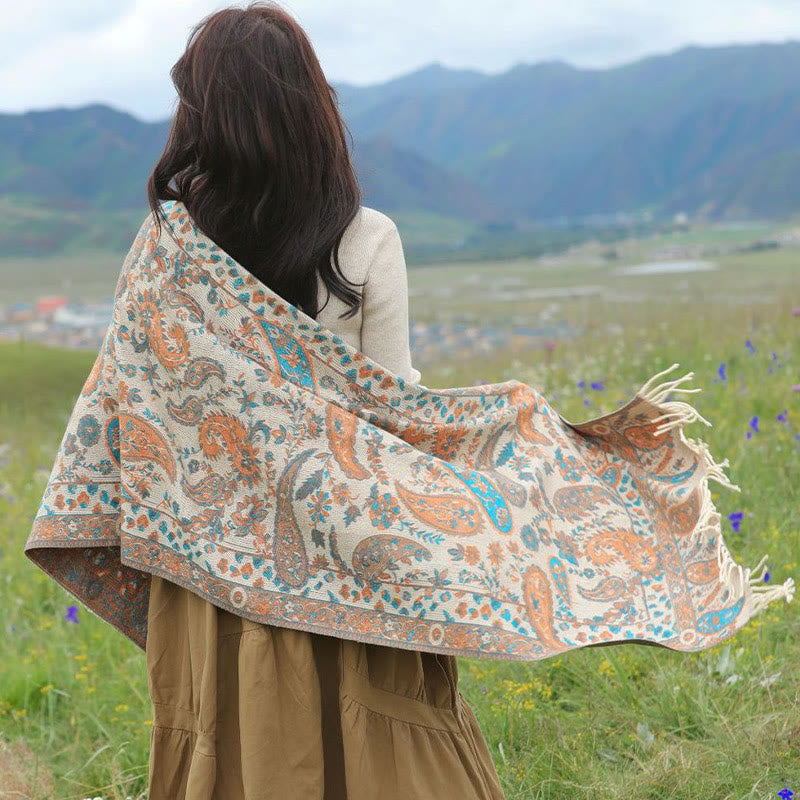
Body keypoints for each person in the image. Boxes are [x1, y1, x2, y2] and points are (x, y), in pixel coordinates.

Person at [143, 3, 507, 798]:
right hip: (343, 551)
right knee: (368, 751)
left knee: (233, 752)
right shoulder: (366, 236)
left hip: (210, 567)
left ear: (205, 112)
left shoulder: (168, 244)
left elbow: (144, 417)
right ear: (310, 104)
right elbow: (394, 412)